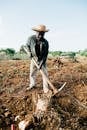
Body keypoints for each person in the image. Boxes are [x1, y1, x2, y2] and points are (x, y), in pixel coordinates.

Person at [26, 24, 49, 93]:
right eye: (39, 33)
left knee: (45, 74)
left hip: (42, 60)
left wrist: (41, 64)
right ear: (36, 32)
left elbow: (45, 54)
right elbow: (27, 46)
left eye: (42, 34)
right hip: (34, 58)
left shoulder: (45, 42)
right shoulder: (30, 39)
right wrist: (29, 52)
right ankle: (32, 84)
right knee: (32, 73)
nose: (41, 36)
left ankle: (46, 89)